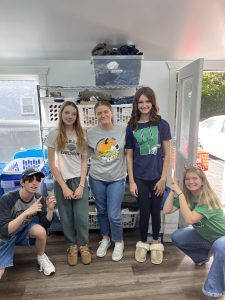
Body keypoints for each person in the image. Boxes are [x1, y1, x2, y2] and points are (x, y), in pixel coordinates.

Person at [163, 166, 225, 298]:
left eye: (194, 178)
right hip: (208, 238)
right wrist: (172, 191)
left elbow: (190, 219)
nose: (190, 182)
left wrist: (180, 194)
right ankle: (202, 257)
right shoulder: (187, 197)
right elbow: (166, 210)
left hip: (222, 239)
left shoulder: (208, 199)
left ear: (202, 181)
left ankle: (215, 290)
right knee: (177, 236)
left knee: (220, 246)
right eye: (187, 179)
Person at [126, 87, 171, 264]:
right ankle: (143, 242)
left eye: (147, 101)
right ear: (136, 104)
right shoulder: (132, 126)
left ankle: (156, 242)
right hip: (140, 177)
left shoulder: (162, 124)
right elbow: (128, 155)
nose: (144, 105)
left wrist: (163, 179)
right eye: (141, 102)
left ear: (152, 102)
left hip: (157, 177)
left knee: (156, 210)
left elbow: (168, 154)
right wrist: (131, 180)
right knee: (144, 212)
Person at [46, 101, 92, 266]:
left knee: (81, 217)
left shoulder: (82, 134)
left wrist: (81, 185)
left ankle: (83, 246)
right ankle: (72, 246)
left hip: (79, 180)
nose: (70, 116)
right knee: (66, 217)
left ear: (76, 116)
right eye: (67, 112)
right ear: (61, 114)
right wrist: (64, 187)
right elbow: (52, 163)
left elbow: (84, 160)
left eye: (73, 113)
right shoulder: (54, 134)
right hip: (62, 181)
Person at [87, 101, 126, 262]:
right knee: (101, 211)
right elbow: (86, 155)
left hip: (117, 178)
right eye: (99, 113)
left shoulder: (123, 130)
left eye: (106, 112)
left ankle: (118, 241)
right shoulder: (90, 133)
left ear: (111, 113)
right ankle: (105, 238)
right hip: (97, 177)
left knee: (113, 214)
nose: (103, 115)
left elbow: (129, 153)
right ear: (95, 116)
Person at [0, 167, 56, 280]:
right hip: (5, 237)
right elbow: (5, 230)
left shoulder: (38, 198)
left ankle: (41, 257)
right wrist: (26, 213)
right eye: (30, 179)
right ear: (22, 182)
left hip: (21, 231)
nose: (34, 183)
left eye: (38, 180)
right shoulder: (8, 198)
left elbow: (45, 225)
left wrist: (50, 210)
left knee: (40, 231)